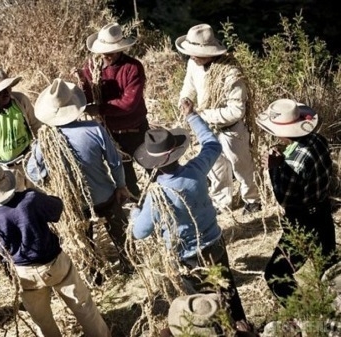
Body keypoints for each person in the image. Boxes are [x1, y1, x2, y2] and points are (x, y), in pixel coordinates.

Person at [130, 99, 252, 332]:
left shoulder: (157, 196)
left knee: (201, 304)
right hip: (215, 243)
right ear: (177, 152)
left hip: (187, 257)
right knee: (227, 290)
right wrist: (192, 116)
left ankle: (215, 332)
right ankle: (241, 329)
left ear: (154, 164)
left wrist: (135, 213)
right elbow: (212, 145)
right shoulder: (195, 171)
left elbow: (139, 232)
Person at [0, 162, 111, 337]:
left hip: (24, 274)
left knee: (42, 321)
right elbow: (57, 207)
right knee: (83, 305)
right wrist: (31, 189)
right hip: (55, 263)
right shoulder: (30, 199)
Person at [26, 78, 133, 274]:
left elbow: (32, 171)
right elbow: (115, 162)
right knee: (119, 231)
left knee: (85, 240)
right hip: (105, 195)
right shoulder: (94, 129)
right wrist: (121, 185)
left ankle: (94, 275)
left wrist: (52, 178)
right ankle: (129, 265)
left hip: (74, 202)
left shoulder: (46, 141)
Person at [256, 98, 336, 306]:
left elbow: (285, 199)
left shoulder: (293, 163)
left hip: (303, 223)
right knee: (328, 267)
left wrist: (274, 169)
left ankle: (304, 314)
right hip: (323, 212)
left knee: (276, 274)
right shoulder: (318, 140)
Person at [175, 23, 261, 214]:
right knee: (216, 165)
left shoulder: (231, 74)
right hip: (208, 128)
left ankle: (252, 199)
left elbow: (237, 110)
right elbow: (188, 85)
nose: (191, 56)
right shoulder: (193, 63)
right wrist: (185, 99)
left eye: (195, 52)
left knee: (241, 165)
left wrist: (201, 115)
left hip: (231, 129)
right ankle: (223, 202)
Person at [74, 22, 150, 200]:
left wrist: (100, 109)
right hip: (111, 132)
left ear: (120, 49)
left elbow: (128, 103)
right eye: (104, 52)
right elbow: (88, 96)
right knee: (125, 175)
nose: (107, 56)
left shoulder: (133, 67)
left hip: (136, 129)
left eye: (111, 51)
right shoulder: (92, 67)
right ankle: (136, 206)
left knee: (153, 168)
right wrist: (82, 83)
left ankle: (165, 200)